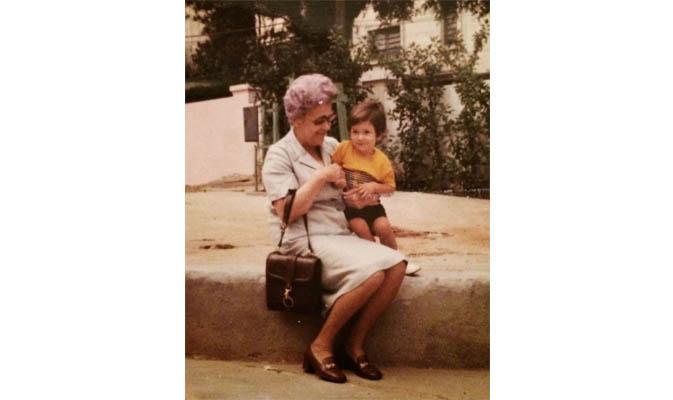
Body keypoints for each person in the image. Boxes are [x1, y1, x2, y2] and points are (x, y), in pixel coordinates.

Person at [262, 74, 407, 383]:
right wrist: (321, 177)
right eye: (319, 121)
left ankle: (354, 345)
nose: (327, 127)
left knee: (397, 265)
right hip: (305, 239)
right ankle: (320, 345)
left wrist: (359, 197)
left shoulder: (332, 147)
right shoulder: (279, 154)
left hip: (339, 234)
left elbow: (351, 189)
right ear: (297, 119)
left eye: (329, 119)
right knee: (372, 273)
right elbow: (288, 212)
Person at [331, 101, 421, 275]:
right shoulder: (344, 149)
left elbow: (390, 187)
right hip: (351, 208)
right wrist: (339, 181)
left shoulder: (381, 161)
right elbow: (332, 167)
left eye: (366, 132)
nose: (360, 137)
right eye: (355, 132)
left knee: (384, 228)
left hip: (373, 207)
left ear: (378, 135)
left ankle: (398, 259)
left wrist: (374, 186)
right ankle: (377, 261)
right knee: (362, 229)